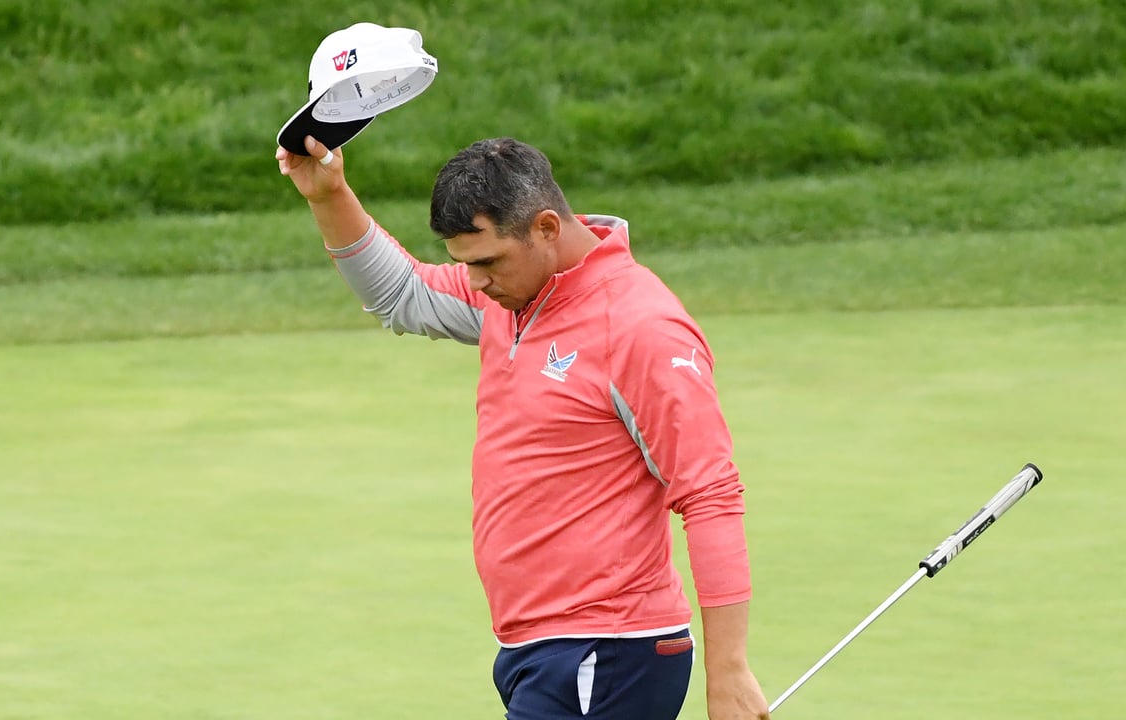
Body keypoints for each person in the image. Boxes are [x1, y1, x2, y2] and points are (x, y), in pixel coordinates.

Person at [276, 134, 771, 720]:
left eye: (488, 262)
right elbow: (402, 294)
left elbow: (710, 493)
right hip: (537, 648)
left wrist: (730, 672)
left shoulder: (640, 326)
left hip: (607, 649)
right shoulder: (512, 297)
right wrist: (328, 195)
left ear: (545, 228)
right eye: (467, 265)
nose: (477, 283)